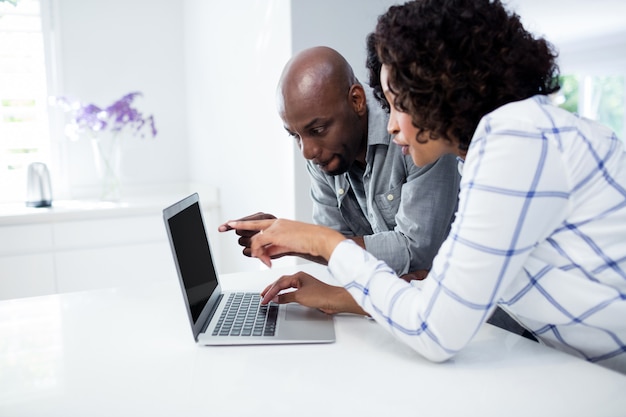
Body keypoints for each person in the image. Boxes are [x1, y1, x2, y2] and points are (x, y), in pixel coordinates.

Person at [226, 0, 626, 373]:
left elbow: (435, 332)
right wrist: (335, 296)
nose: (393, 123)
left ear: (444, 91)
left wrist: (326, 243)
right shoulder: (499, 147)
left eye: (399, 102)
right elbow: (439, 290)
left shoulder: (517, 141)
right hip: (580, 368)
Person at [219, 46, 460, 281]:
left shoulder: (415, 130)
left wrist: (306, 239)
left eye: (318, 129)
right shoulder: (324, 154)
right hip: (390, 302)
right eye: (295, 135)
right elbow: (337, 253)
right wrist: (286, 238)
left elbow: (415, 252)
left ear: (356, 100)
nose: (307, 151)